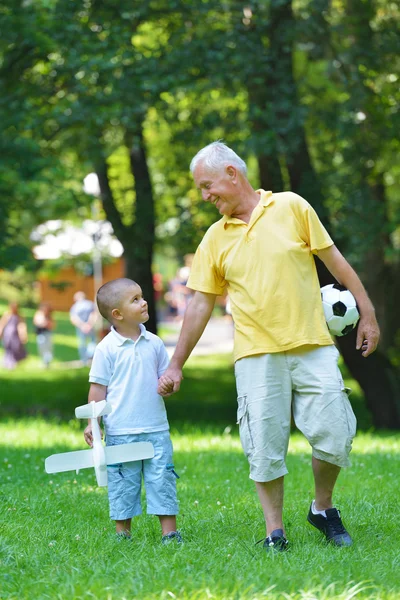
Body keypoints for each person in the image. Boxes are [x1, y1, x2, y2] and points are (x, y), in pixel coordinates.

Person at [158, 141, 380, 552]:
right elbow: (200, 304)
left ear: (231, 173)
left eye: (208, 185)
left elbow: (336, 262)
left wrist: (366, 313)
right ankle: (274, 532)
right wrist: (176, 363)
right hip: (256, 354)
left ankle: (322, 507)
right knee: (264, 445)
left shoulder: (292, 206)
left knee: (335, 432)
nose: (205, 196)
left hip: (312, 343)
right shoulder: (214, 239)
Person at [84, 278, 181, 544]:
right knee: (123, 483)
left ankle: (170, 533)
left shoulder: (154, 343)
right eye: (135, 299)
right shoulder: (106, 349)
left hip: (156, 428)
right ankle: (122, 534)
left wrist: (168, 385)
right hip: (121, 430)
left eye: (142, 296)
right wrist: (94, 422)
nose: (144, 301)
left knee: (162, 479)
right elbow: (97, 390)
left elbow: (166, 381)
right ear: (117, 314)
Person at [69, 291, 97, 365]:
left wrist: (82, 325)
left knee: (82, 343)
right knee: (92, 341)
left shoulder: (75, 307)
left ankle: (84, 359)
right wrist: (89, 324)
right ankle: (90, 356)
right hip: (90, 326)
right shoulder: (90, 304)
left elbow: (73, 318)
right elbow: (94, 315)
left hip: (81, 327)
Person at [0, 302, 28, 370]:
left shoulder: (19, 316)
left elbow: (22, 326)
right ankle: (8, 362)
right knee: (8, 347)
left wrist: (23, 334)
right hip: (7, 335)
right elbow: (2, 324)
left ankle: (14, 361)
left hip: (15, 335)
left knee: (16, 348)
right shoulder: (7, 315)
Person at [33, 303, 55, 368]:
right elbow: (36, 322)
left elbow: (52, 325)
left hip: (48, 333)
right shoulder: (38, 314)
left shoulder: (49, 316)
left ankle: (47, 362)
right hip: (41, 333)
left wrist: (46, 323)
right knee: (42, 347)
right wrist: (43, 323)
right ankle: (44, 361)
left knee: (48, 347)